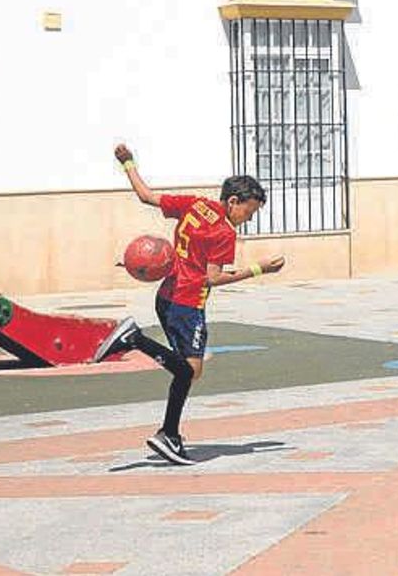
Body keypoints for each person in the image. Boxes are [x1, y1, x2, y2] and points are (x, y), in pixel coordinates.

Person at [111, 144, 283, 465]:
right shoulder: (223, 233)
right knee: (190, 370)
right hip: (187, 304)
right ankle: (134, 340)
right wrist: (260, 269)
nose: (249, 218)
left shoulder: (195, 204)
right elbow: (212, 279)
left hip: (166, 296)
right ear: (234, 201)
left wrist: (128, 163)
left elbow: (146, 196)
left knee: (185, 371)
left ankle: (170, 434)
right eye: (250, 211)